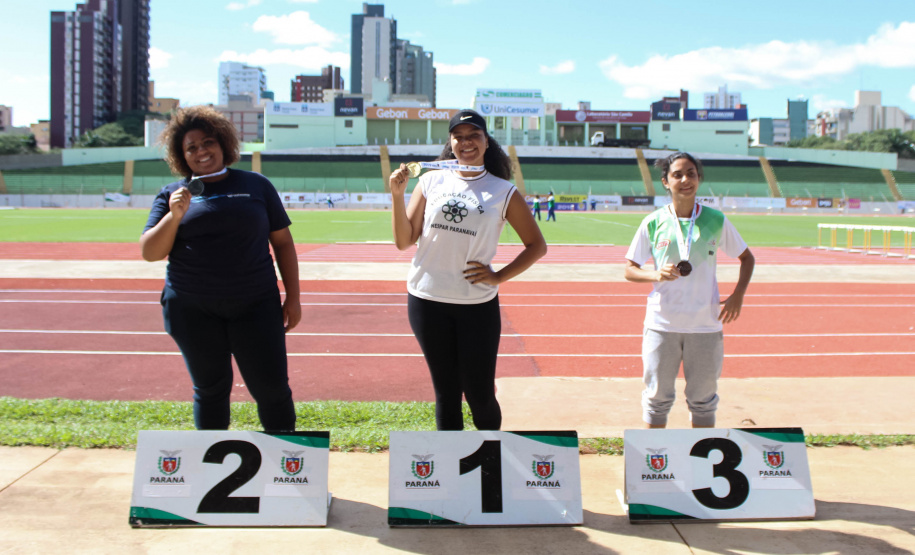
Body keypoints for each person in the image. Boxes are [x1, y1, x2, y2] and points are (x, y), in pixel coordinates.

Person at [140, 105, 300, 432]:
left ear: (223, 144)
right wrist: (174, 215)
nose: (201, 151)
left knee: (272, 389)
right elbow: (150, 252)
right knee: (210, 390)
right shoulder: (172, 195)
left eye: (208, 142)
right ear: (181, 156)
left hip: (256, 303)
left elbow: (283, 243)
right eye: (191, 147)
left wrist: (293, 298)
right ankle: (212, 460)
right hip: (192, 308)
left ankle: (287, 461)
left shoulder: (256, 185)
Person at [390, 109, 547, 431]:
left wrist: (499, 276)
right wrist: (397, 195)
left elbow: (537, 245)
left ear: (486, 141)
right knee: (446, 393)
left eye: (474, 135)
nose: (466, 142)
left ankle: (489, 457)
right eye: (458, 137)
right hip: (427, 299)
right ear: (450, 143)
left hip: (476, 304)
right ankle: (453, 462)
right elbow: (404, 241)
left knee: (479, 394)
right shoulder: (430, 180)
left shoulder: (503, 191)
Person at [624, 152, 754, 429]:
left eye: (691, 174)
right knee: (656, 399)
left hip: (705, 325)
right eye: (678, 175)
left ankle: (701, 456)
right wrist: (654, 274)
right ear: (665, 182)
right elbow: (629, 269)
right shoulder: (653, 222)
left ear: (699, 178)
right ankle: (653, 456)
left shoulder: (715, 220)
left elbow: (747, 258)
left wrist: (738, 295)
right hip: (662, 324)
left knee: (703, 401)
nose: (685, 180)